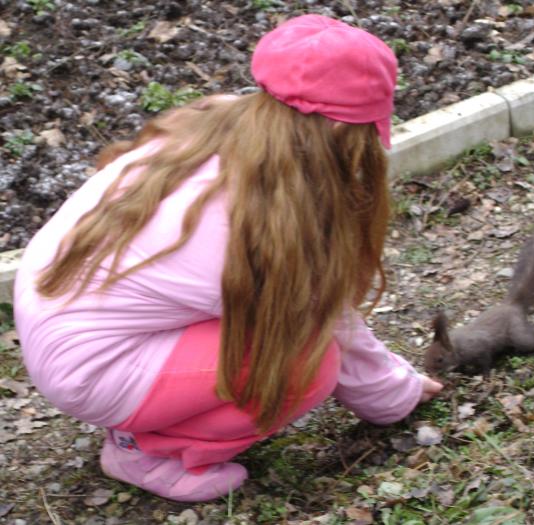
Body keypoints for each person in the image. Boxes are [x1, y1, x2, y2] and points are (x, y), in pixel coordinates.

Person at [13, 14, 443, 502]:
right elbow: (324, 318)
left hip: (55, 305)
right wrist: (392, 396)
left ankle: (151, 416)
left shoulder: (219, 121)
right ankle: (147, 451)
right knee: (306, 364)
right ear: (349, 137)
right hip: (88, 364)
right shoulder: (258, 220)